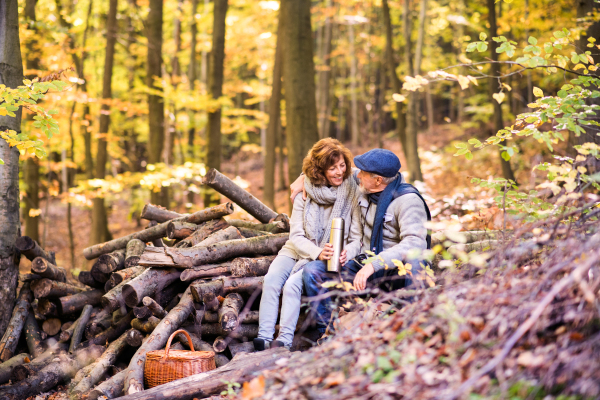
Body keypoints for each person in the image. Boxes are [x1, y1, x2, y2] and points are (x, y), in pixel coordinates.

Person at [297, 149, 431, 337]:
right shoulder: (365, 187)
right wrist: (302, 178)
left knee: (417, 264)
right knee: (313, 271)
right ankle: (327, 333)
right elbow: (328, 167)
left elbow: (415, 243)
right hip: (362, 262)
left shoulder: (407, 200)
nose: (357, 175)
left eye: (363, 173)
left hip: (394, 269)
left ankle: (410, 329)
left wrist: (375, 265)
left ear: (378, 180)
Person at [253, 138, 363, 351]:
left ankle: (283, 342)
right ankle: (263, 338)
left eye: (342, 165)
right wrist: (317, 251)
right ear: (320, 170)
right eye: (332, 168)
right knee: (272, 280)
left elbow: (357, 239)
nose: (339, 172)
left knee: (292, 285)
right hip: (297, 249)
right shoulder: (304, 193)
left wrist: (345, 253)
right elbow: (296, 236)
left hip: (328, 255)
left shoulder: (352, 192)